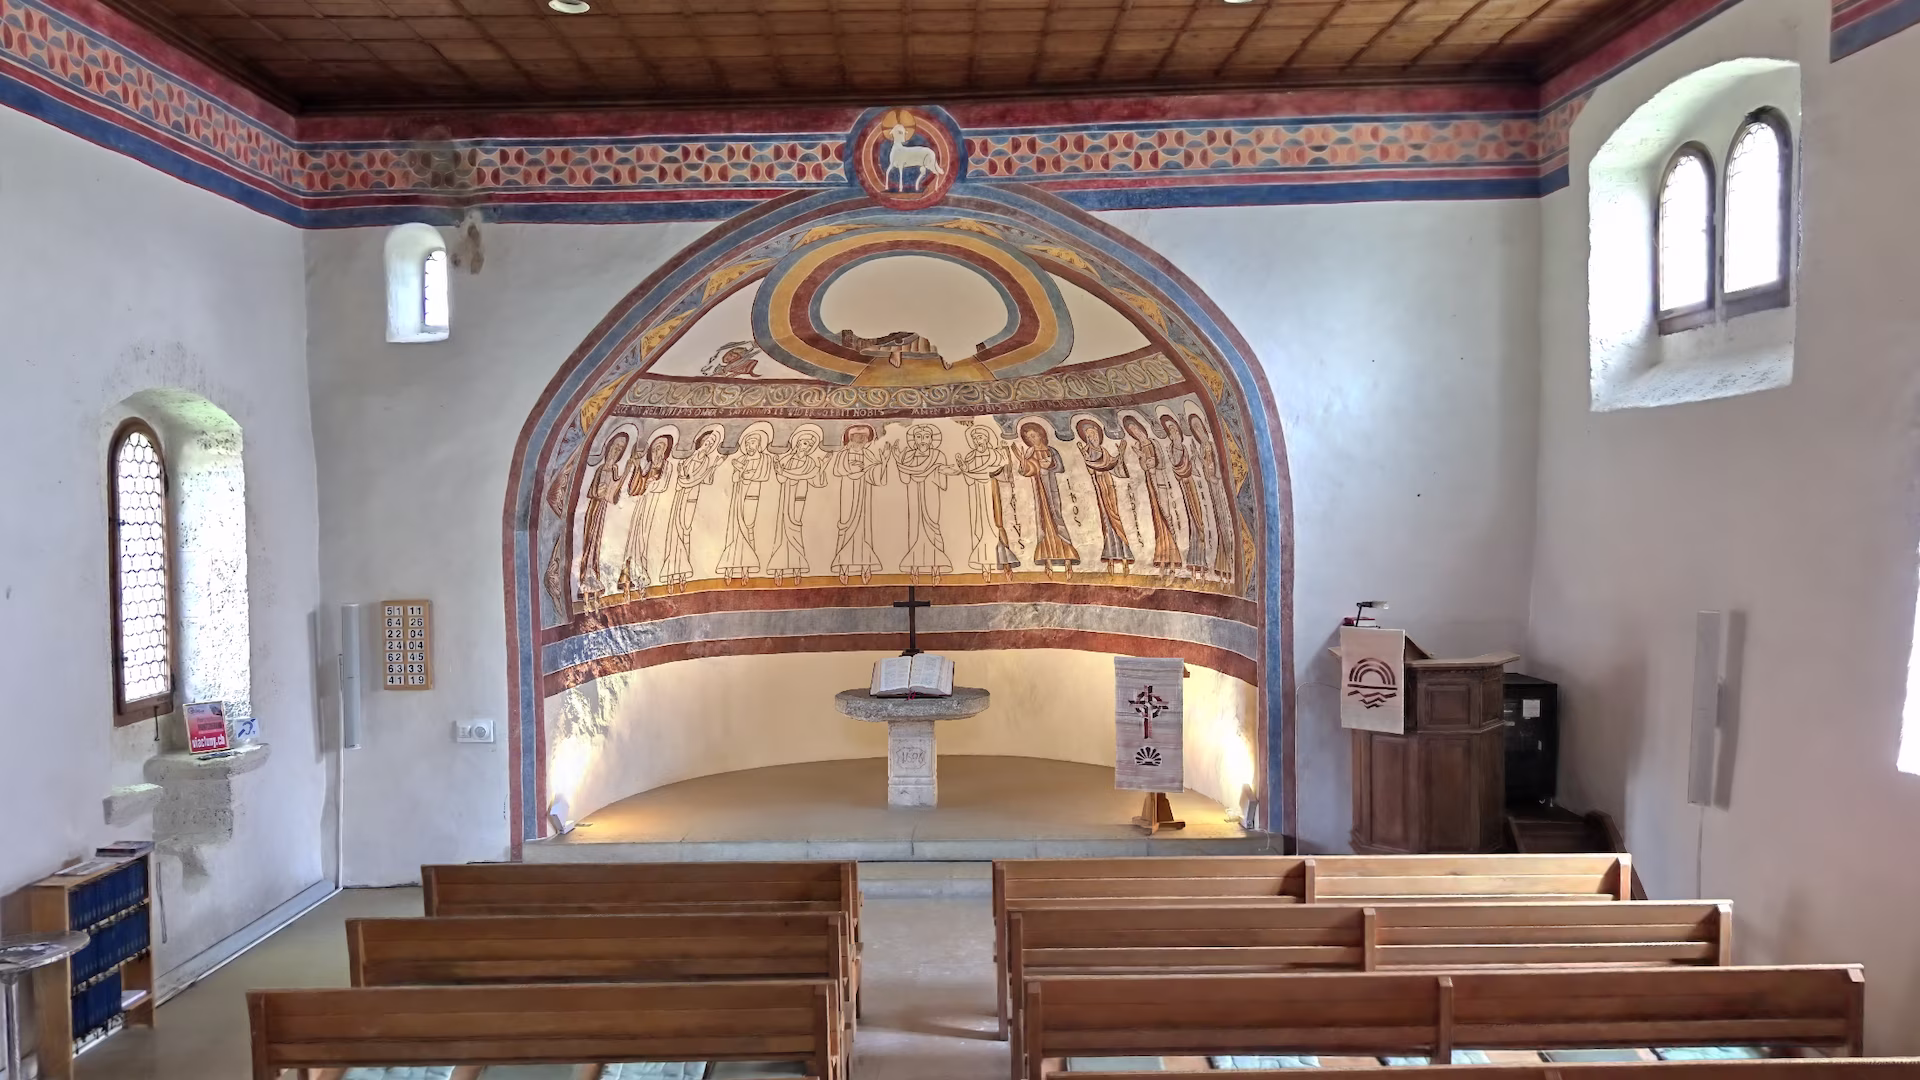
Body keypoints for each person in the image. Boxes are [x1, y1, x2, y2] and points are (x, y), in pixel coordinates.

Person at [1012, 421, 1079, 576]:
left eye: (1034, 436)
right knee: (1043, 521)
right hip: (1039, 491)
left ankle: (1068, 561)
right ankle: (1047, 562)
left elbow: (1060, 467)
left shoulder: (1051, 450)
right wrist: (1023, 461)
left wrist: (1049, 464)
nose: (1032, 440)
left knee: (1057, 518)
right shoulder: (1029, 452)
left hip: (1052, 489)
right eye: (1029, 438)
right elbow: (1026, 471)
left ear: (1041, 434)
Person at [661, 426, 723, 593]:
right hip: (680, 498)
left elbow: (701, 479)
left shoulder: (705, 462)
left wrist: (714, 466)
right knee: (674, 533)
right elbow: (683, 478)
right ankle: (671, 573)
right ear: (700, 442)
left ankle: (683, 574)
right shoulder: (691, 458)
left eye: (711, 443)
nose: (708, 445)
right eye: (706, 442)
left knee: (685, 532)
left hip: (691, 499)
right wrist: (683, 475)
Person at [956, 424, 1021, 582]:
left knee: (996, 526)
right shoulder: (971, 457)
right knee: (980, 528)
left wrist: (1007, 454)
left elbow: (1004, 474)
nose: (978, 440)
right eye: (975, 438)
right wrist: (963, 468)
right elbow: (969, 478)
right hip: (977, 496)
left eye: (981, 437)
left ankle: (1006, 564)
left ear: (986, 439)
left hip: (991, 493)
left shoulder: (994, 455)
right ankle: (985, 567)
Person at [765, 425, 828, 586]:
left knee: (795, 530)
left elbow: (817, 482)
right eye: (804, 443)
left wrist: (821, 469)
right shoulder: (788, 460)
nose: (806, 447)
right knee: (782, 533)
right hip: (786, 499)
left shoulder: (811, 463)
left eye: (809, 444)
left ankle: (798, 568)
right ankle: (778, 568)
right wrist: (778, 468)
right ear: (798, 444)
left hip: (800, 499)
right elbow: (781, 480)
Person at [830, 424, 892, 585]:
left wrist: (884, 462)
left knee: (864, 529)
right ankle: (843, 568)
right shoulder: (843, 454)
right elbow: (838, 470)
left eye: (863, 437)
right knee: (846, 526)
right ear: (850, 439)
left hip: (863, 494)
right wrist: (855, 471)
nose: (860, 439)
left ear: (867, 440)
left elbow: (875, 475)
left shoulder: (868, 455)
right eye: (856, 436)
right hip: (848, 492)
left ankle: (866, 567)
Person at [895, 423, 957, 584]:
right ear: (914, 439)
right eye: (919, 437)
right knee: (914, 528)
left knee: (932, 526)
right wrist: (899, 459)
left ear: (931, 439)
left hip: (931, 492)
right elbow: (904, 478)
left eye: (926, 437)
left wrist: (951, 470)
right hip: (914, 492)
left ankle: (936, 569)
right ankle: (914, 568)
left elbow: (944, 476)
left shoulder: (938, 455)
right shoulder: (908, 456)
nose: (922, 440)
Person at [618, 430, 675, 598]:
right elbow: (635, 489)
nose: (658, 452)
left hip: (657, 509)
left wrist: (652, 484)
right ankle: (630, 581)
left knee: (648, 544)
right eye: (656, 448)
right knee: (635, 542)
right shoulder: (648, 467)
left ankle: (645, 583)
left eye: (661, 448)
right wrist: (636, 467)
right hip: (643, 507)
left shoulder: (668, 466)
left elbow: (665, 486)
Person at [715, 423, 774, 584]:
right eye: (747, 443)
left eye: (753, 442)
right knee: (734, 533)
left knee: (748, 531)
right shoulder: (741, 459)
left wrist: (744, 472)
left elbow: (763, 476)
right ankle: (729, 567)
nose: (749, 446)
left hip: (752, 499)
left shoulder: (764, 459)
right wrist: (740, 471)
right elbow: (735, 479)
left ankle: (747, 569)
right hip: (738, 498)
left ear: (760, 444)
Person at [576, 429, 630, 602]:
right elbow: (592, 491)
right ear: (609, 448)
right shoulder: (601, 469)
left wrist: (627, 471)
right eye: (615, 447)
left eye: (620, 449)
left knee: (597, 543)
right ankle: (585, 579)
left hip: (602, 509)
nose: (616, 451)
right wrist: (598, 492)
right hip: (593, 508)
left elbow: (614, 492)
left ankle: (594, 578)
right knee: (589, 541)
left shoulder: (614, 469)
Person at [1123, 414, 1181, 575]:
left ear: (1141, 428)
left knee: (1167, 516)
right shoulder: (1138, 447)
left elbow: (1161, 462)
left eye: (1136, 428)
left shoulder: (1154, 443)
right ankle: (1163, 558)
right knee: (1158, 520)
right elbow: (1144, 467)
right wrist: (1142, 457)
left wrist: (1152, 462)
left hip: (1160, 482)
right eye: (1132, 431)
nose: (1136, 432)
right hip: (1150, 484)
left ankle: (1175, 557)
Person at [1075, 417, 1135, 573]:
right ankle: (1110, 555)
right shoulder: (1088, 452)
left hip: (1109, 486)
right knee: (1106, 520)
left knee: (1115, 517)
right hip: (1100, 487)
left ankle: (1124, 554)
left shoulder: (1104, 452)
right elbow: (1091, 470)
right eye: (1089, 436)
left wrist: (1121, 453)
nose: (1092, 438)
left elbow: (1114, 466)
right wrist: (1087, 460)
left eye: (1094, 434)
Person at [1188, 414, 1237, 582]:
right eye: (1195, 429)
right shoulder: (1203, 447)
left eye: (1199, 428)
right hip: (1211, 485)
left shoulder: (1208, 445)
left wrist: (1214, 476)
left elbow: (1213, 467)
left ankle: (1227, 568)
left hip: (1216, 486)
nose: (1198, 431)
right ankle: (1222, 567)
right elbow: (1205, 466)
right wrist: (1196, 455)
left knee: (1223, 523)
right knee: (1218, 522)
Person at [1162, 413, 1211, 578]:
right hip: (1185, 486)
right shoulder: (1172, 450)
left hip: (1192, 485)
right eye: (1171, 431)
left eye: (1175, 429)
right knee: (1193, 521)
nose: (1174, 433)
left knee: (1200, 521)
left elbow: (1195, 469)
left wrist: (1196, 461)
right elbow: (1178, 467)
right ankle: (1195, 561)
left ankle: (1203, 562)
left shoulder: (1184, 448)